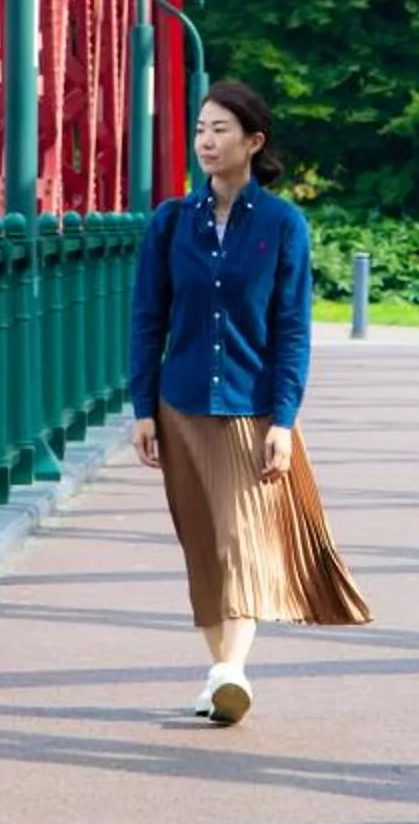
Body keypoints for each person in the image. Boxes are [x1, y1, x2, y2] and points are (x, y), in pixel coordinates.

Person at [129, 80, 372, 727]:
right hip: (180, 405)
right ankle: (219, 674)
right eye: (201, 129)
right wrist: (141, 409)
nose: (206, 141)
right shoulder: (170, 222)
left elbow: (293, 328)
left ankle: (232, 670)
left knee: (239, 541)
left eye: (221, 130)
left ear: (253, 142)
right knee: (203, 546)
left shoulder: (283, 224)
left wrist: (285, 420)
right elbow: (146, 318)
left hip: (250, 408)